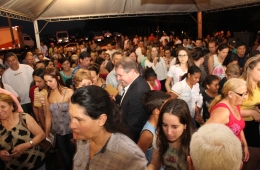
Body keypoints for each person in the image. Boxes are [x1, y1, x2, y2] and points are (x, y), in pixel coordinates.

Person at [69, 86, 147, 170]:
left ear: (101, 120)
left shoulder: (130, 156)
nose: (71, 125)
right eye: (71, 117)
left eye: (79, 120)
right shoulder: (82, 138)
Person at [206, 78, 249, 162]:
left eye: (246, 93)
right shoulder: (223, 111)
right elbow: (205, 135)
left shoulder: (235, 105)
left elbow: (238, 127)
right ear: (230, 94)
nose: (245, 97)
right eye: (242, 94)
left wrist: (245, 145)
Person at [0, 93, 46, 170]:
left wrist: (26, 145)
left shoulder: (24, 117)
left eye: (3, 107)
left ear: (11, 106)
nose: (0, 110)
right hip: (11, 167)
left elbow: (41, 135)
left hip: (35, 164)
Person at [148, 99, 195, 170]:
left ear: (185, 125)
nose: (169, 132)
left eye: (175, 127)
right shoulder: (159, 137)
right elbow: (154, 164)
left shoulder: (195, 143)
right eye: (165, 125)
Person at [43, 68, 75, 170]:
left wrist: (76, 132)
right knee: (65, 155)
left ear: (57, 77)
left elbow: (75, 114)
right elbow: (48, 116)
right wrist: (47, 133)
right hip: (58, 131)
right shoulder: (47, 95)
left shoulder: (69, 92)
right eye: (46, 81)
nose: (48, 84)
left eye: (50, 81)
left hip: (71, 130)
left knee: (75, 154)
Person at [115, 57, 150, 143]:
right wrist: (116, 98)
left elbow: (133, 127)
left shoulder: (138, 92)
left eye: (120, 75)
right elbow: (127, 102)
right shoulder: (135, 84)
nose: (118, 79)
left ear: (132, 72)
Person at [138, 90, 170, 164]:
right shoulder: (147, 133)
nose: (170, 109)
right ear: (156, 111)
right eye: (166, 107)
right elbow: (137, 157)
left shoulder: (161, 124)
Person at [240, 56, 260, 170]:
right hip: (242, 126)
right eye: (259, 69)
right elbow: (229, 110)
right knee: (252, 157)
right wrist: (251, 112)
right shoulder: (241, 86)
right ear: (250, 69)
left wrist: (256, 109)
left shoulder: (258, 85)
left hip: (255, 124)